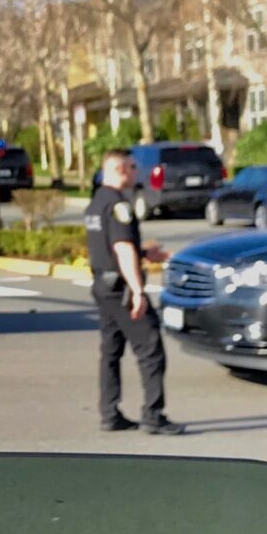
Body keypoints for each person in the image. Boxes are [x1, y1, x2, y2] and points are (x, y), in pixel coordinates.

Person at [85, 149, 185, 435]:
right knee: (150, 348)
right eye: (132, 166)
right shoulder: (119, 205)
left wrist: (144, 253)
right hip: (121, 289)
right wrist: (138, 291)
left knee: (110, 351)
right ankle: (153, 415)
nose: (136, 172)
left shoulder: (96, 203)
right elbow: (122, 248)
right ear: (119, 169)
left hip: (102, 286)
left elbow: (107, 246)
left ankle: (109, 413)